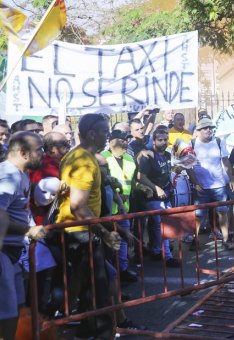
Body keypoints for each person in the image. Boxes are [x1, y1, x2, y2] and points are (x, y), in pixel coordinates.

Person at [56, 113, 122, 339]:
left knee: (88, 290)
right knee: (98, 290)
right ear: (92, 134)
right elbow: (78, 205)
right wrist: (103, 233)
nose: (108, 136)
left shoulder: (77, 155)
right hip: (81, 232)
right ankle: (102, 333)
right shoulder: (83, 160)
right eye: (105, 131)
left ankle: (86, 332)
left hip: (77, 231)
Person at [0, 132, 47, 340]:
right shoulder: (9, 175)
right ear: (23, 153)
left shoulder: (20, 174)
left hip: (12, 254)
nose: (43, 154)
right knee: (7, 312)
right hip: (3, 253)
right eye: (39, 150)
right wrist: (27, 230)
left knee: (17, 307)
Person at [137, 127, 181, 268]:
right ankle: (167, 256)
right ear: (154, 141)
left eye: (165, 139)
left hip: (167, 194)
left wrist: (176, 170)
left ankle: (156, 250)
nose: (163, 142)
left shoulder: (168, 155)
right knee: (162, 225)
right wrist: (155, 188)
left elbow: (167, 172)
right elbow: (140, 176)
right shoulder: (148, 156)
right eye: (160, 140)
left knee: (161, 225)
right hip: (152, 197)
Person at [190, 118, 234, 251]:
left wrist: (231, 179)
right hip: (201, 187)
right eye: (205, 128)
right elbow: (188, 166)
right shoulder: (192, 143)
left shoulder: (219, 141)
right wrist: (195, 183)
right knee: (198, 215)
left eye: (210, 127)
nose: (209, 130)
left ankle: (226, 239)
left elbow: (226, 162)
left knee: (222, 213)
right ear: (198, 131)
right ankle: (195, 239)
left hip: (219, 186)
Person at [101, 130, 139, 283]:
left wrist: (143, 188)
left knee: (123, 242)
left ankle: (122, 270)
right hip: (108, 210)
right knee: (110, 244)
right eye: (122, 140)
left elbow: (132, 180)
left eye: (126, 140)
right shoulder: (102, 158)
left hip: (124, 208)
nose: (125, 142)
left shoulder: (130, 157)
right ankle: (112, 275)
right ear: (111, 142)